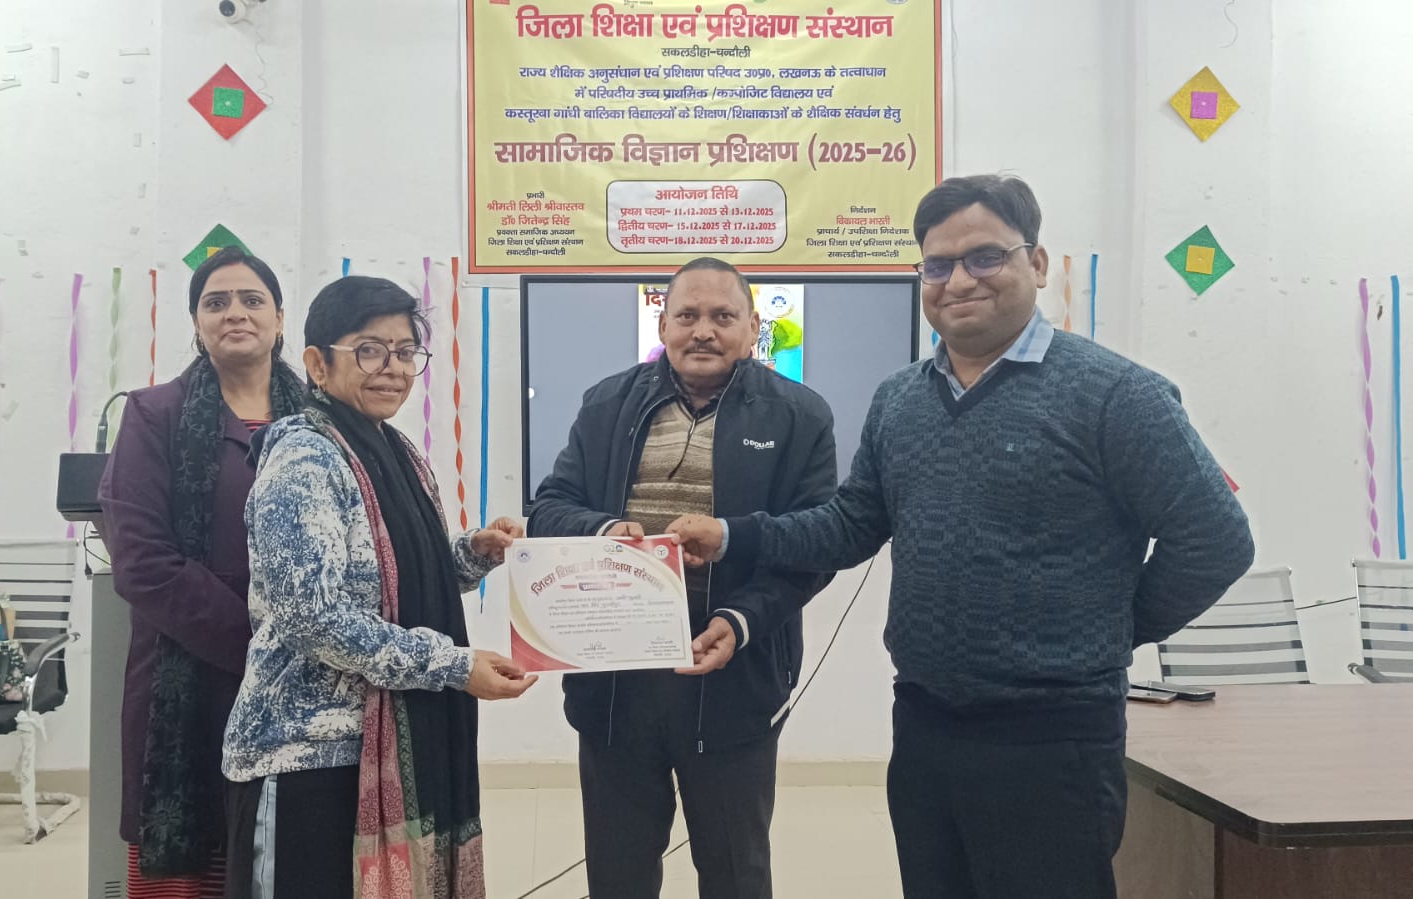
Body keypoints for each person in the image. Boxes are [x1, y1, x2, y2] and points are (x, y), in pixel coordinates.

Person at [669, 175, 1256, 899]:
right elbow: (851, 523)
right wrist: (732, 536)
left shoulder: (1116, 395)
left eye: (984, 257)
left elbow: (1216, 540)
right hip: (923, 723)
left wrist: (1112, 626)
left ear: (1035, 263)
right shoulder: (900, 399)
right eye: (938, 265)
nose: (958, 281)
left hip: (1053, 737)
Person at [528, 257, 838, 899]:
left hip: (734, 677)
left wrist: (739, 621)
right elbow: (550, 504)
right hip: (614, 682)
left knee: (735, 873)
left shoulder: (800, 416)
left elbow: (814, 544)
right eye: (687, 315)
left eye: (723, 316)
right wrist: (602, 531)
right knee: (618, 873)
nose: (703, 331)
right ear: (662, 325)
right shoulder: (605, 404)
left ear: (752, 328)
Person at [221, 275, 537, 899]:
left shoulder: (392, 451)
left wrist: (471, 554)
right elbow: (312, 617)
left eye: (405, 351)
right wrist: (453, 666)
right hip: (309, 755)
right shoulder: (304, 458)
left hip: (387, 744)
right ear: (317, 364)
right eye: (369, 350)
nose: (392, 368)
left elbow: (389, 577)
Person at [99, 246, 307, 897]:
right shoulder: (153, 414)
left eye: (252, 299)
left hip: (307, 687)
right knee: (195, 871)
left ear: (279, 318)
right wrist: (262, 645)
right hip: (191, 672)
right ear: (196, 322)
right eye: (216, 302)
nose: (234, 313)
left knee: (293, 852)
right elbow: (142, 562)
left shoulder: (322, 419)